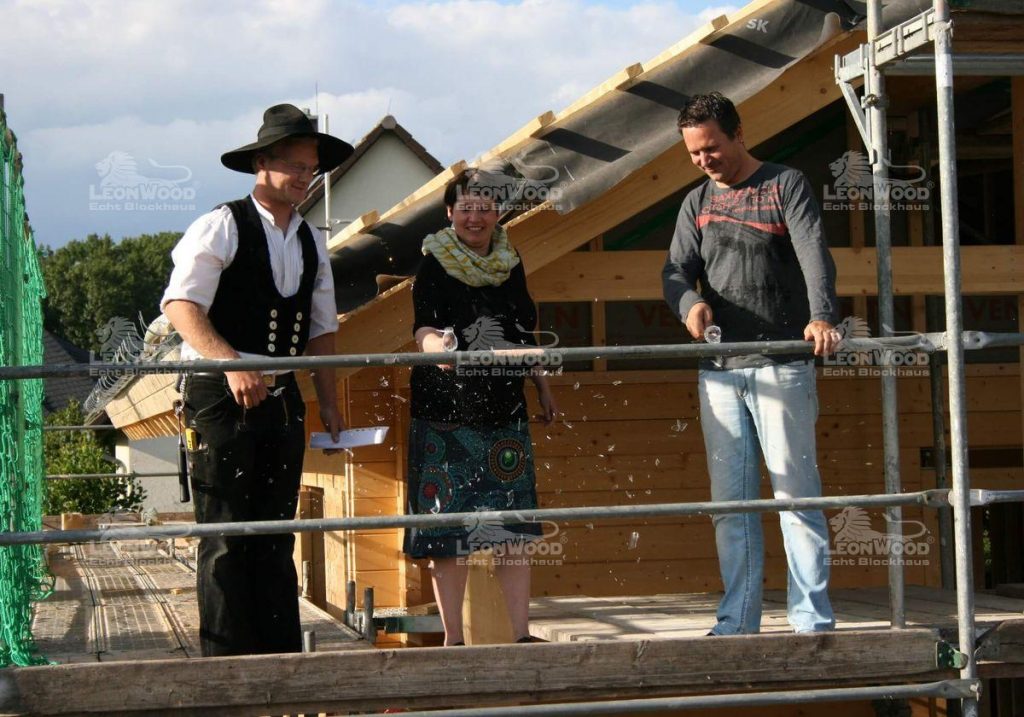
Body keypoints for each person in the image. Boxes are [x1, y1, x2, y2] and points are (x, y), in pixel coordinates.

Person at [161, 103, 353, 656]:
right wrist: (231, 364)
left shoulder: (314, 240)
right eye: (294, 164)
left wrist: (331, 403)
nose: (303, 176)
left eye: (310, 166)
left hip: (284, 395)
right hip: (219, 395)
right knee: (224, 536)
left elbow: (322, 331)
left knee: (274, 532)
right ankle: (226, 666)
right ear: (261, 165)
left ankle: (279, 659)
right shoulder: (221, 224)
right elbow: (180, 305)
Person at [662, 92, 841, 636]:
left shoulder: (784, 184)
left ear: (739, 133)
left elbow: (814, 251)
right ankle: (737, 622)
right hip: (719, 366)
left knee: (795, 496)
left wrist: (821, 316)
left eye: (711, 148)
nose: (703, 160)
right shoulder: (695, 203)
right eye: (694, 153)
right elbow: (674, 271)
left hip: (782, 359)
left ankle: (811, 621)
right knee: (730, 506)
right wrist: (689, 304)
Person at [403, 169, 558, 646]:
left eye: (484, 207)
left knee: (513, 529)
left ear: (498, 213)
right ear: (450, 213)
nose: (476, 216)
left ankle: (521, 634)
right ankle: (453, 640)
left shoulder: (512, 260)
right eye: (465, 207)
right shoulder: (433, 261)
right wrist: (439, 352)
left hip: (504, 408)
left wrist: (541, 386)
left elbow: (523, 330)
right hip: (445, 411)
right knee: (449, 531)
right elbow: (423, 327)